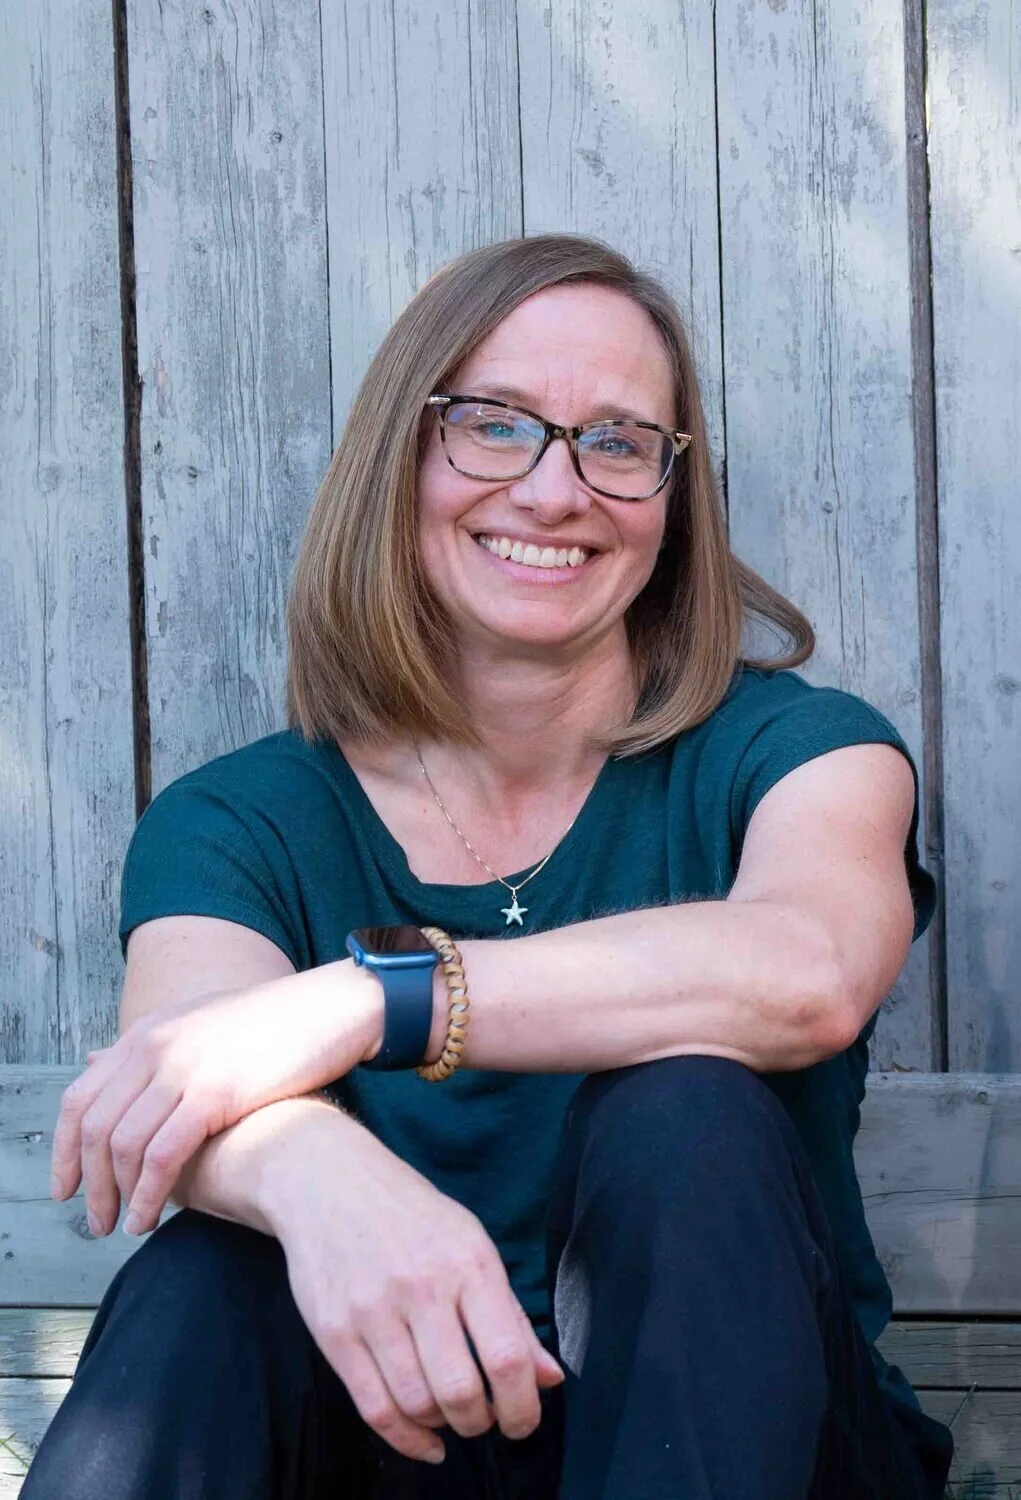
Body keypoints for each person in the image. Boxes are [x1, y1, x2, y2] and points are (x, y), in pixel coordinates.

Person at [26, 234, 953, 1500]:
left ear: (673, 501)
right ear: (400, 459)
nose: (556, 490)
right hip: (401, 1437)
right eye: (494, 424)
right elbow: (170, 1086)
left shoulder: (798, 753)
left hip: (760, 1442)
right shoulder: (238, 818)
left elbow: (805, 971)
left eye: (619, 442)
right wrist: (314, 1171)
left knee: (685, 1114)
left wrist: (367, 1000)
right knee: (205, 1282)